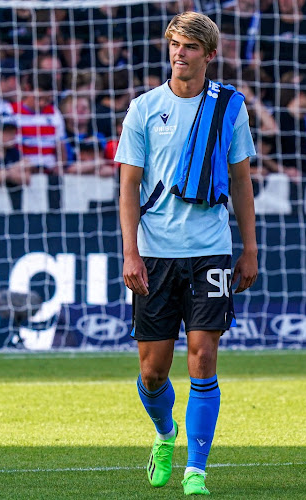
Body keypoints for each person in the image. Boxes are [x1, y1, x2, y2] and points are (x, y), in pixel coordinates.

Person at [116, 12, 257, 496]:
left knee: (203, 357)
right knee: (153, 372)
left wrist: (249, 249)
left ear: (209, 55)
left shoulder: (228, 109)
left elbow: (241, 181)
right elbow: (128, 187)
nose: (180, 53)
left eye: (191, 46)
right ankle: (164, 433)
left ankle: (196, 468)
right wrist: (130, 253)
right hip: (154, 255)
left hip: (211, 251)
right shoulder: (142, 108)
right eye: (175, 44)